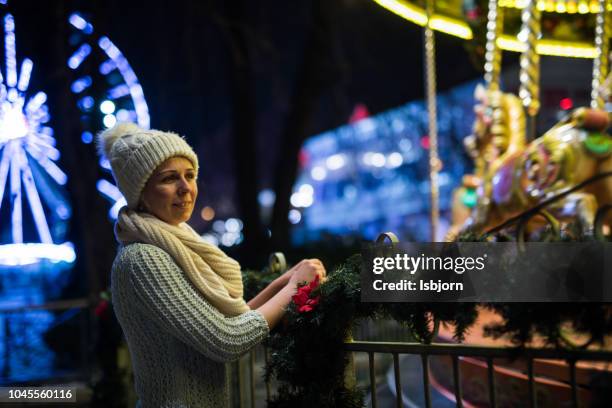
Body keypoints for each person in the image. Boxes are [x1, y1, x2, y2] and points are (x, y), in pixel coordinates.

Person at [97, 123, 326, 408]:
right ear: (139, 192)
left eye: (189, 175)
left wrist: (282, 283)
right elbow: (227, 339)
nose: (185, 188)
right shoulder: (144, 258)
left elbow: (224, 323)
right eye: (169, 178)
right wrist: (294, 288)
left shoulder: (176, 245)